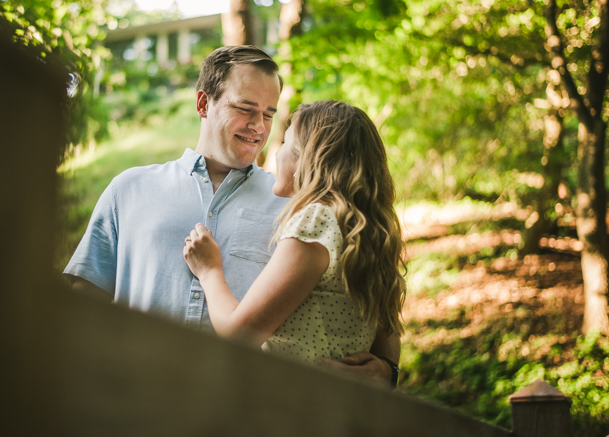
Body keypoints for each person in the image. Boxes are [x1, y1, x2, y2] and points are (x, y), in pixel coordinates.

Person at [64, 46, 400, 385]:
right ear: (203, 104)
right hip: (133, 396)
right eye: (245, 108)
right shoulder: (129, 188)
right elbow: (84, 301)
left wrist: (388, 367)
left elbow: (370, 289)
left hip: (245, 414)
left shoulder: (300, 208)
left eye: (269, 115)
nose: (259, 127)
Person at [183, 101, 406, 374]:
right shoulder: (364, 228)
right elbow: (386, 337)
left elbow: (238, 335)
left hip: (296, 402)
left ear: (305, 159)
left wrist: (209, 270)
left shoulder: (316, 222)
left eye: (286, 143)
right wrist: (388, 370)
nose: (276, 153)